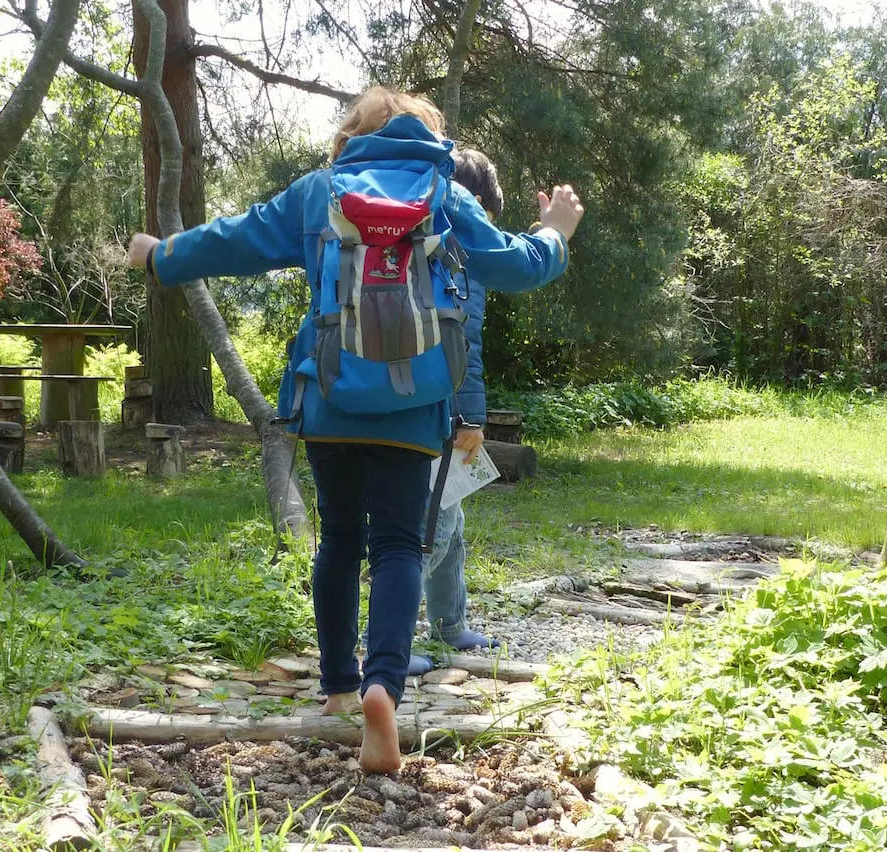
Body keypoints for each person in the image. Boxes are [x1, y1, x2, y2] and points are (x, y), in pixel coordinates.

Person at [127, 86, 583, 773]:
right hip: (413, 406)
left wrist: (163, 255)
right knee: (400, 544)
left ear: (352, 136)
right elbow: (519, 266)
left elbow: (236, 239)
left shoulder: (320, 192)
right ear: (429, 138)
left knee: (339, 539)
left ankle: (340, 685)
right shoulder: (444, 194)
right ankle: (383, 690)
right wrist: (556, 230)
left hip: (331, 399)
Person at [408, 147, 507, 675]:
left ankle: (449, 623)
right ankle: (393, 642)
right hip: (438, 411)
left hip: (415, 401)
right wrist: (470, 418)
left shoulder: (422, 241)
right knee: (432, 527)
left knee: (451, 520)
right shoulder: (460, 254)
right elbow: (463, 343)